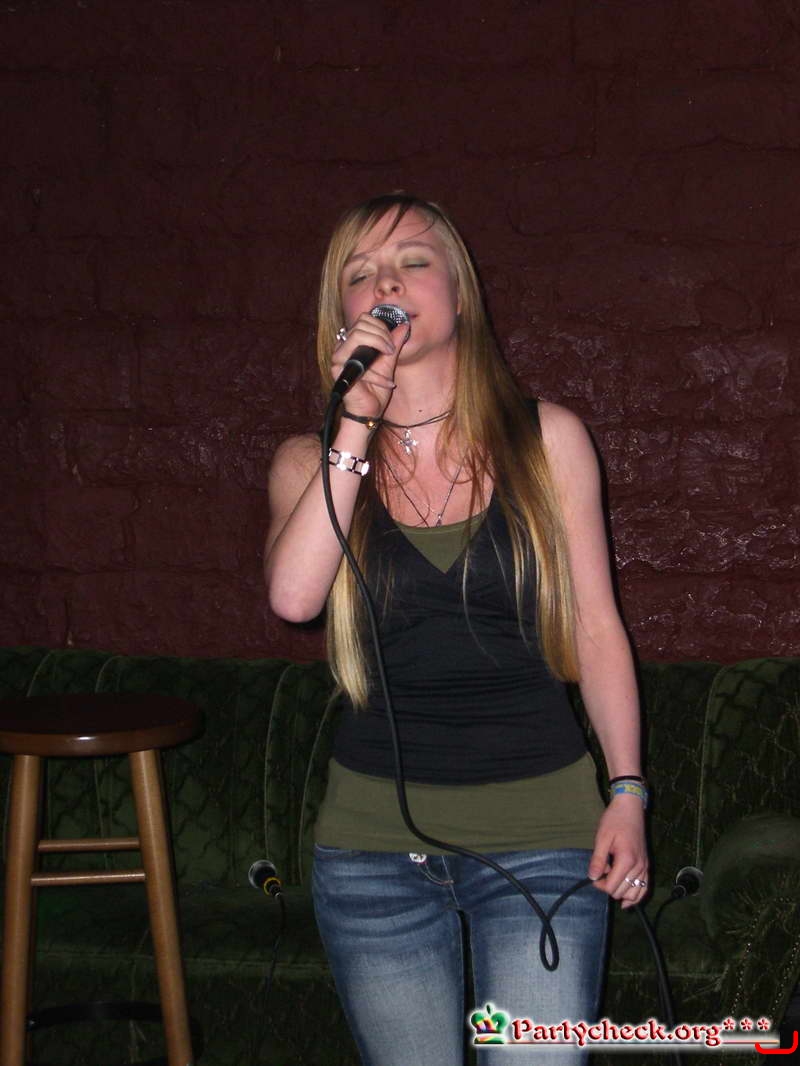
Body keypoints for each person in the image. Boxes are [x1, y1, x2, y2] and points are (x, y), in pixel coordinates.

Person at [264, 194, 648, 1065]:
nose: (386, 283)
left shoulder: (547, 441)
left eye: (412, 261)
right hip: (371, 850)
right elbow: (294, 598)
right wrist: (356, 418)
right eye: (360, 274)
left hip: (544, 830)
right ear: (339, 315)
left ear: (461, 291)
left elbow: (597, 628)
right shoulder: (310, 461)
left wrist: (628, 792)